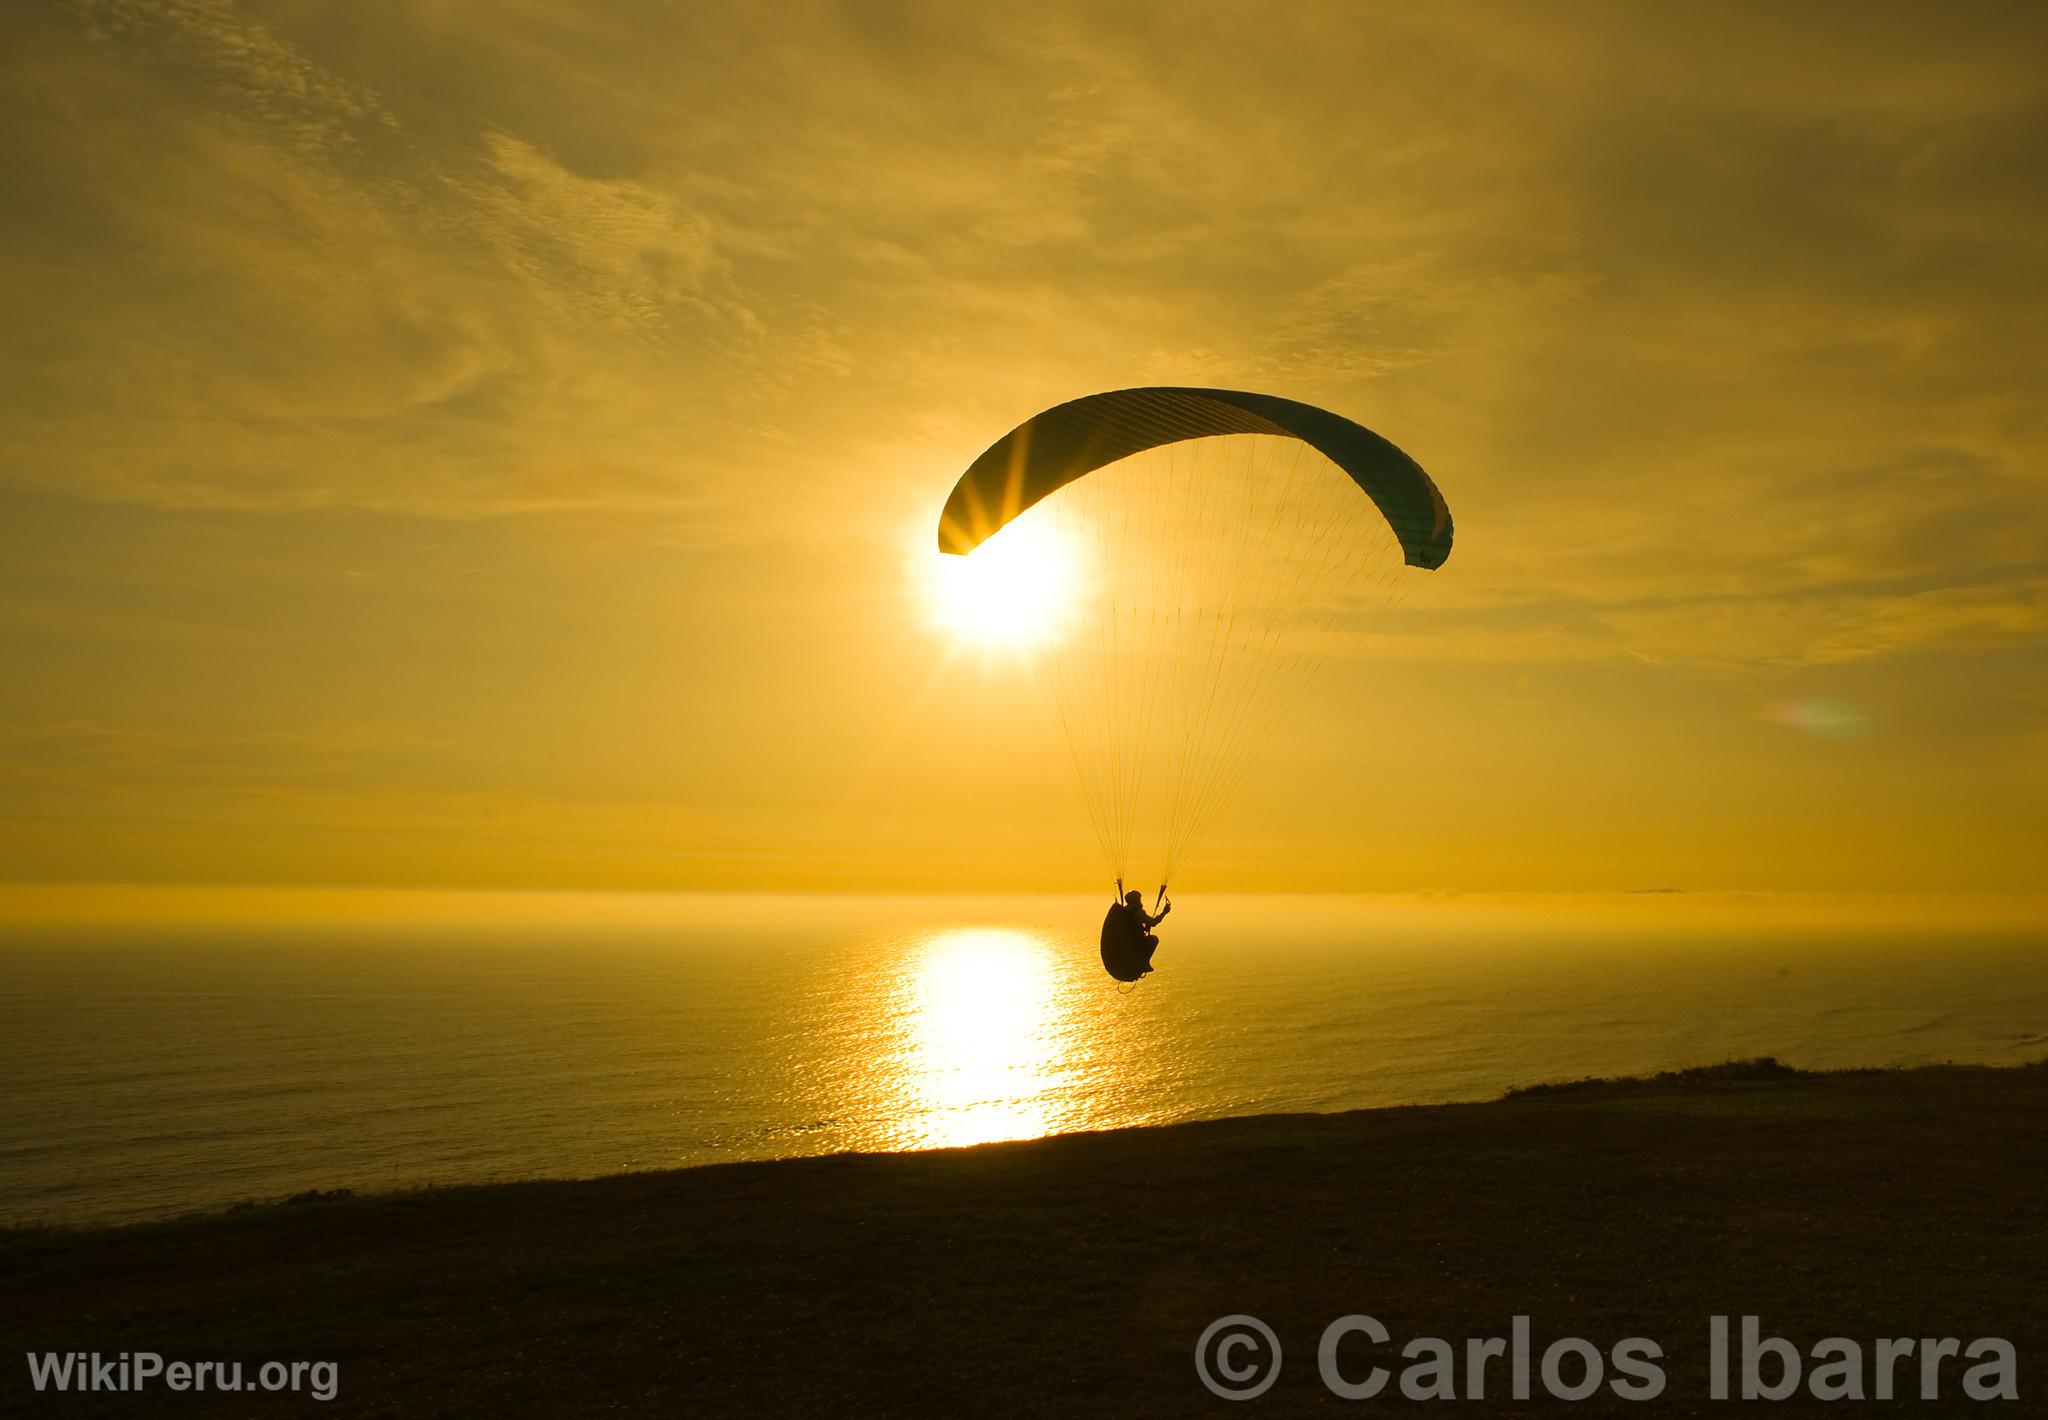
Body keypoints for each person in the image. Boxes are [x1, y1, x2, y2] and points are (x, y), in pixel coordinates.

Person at [1100, 878, 1171, 982]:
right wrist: (1164, 912)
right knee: (1153, 940)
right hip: (1135, 942)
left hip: (1130, 941)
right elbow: (1153, 922)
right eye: (1139, 899)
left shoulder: (1125, 910)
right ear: (1136, 900)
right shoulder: (1138, 913)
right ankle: (1144, 963)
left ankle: (1141, 961)